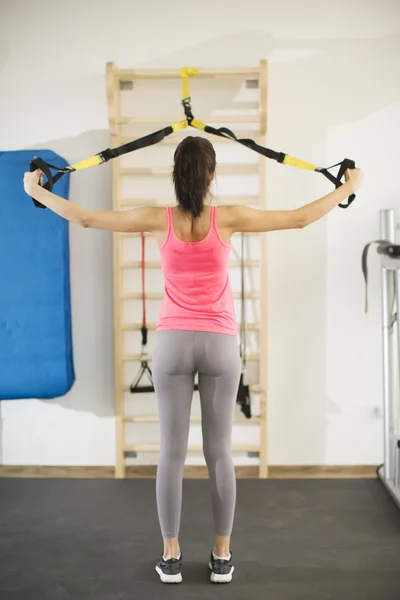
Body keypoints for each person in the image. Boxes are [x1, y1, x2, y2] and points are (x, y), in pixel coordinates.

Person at [24, 137, 363, 584]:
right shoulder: (230, 217)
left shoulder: (156, 218)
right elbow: (300, 219)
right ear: (212, 176)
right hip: (220, 344)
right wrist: (346, 187)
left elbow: (86, 218)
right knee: (220, 453)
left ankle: (171, 555)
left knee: (171, 454)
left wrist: (38, 191)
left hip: (172, 344)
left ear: (175, 175)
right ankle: (221, 557)